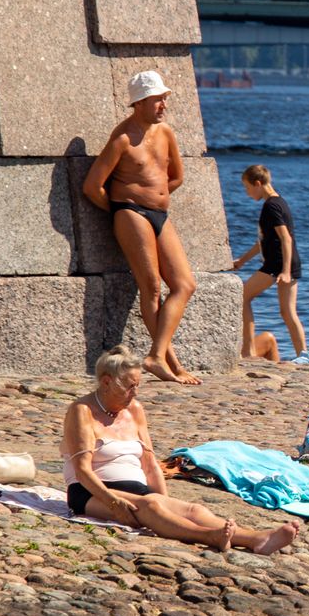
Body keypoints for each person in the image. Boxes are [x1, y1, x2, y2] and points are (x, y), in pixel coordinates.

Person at [62, 347, 299, 554]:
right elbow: (82, 470)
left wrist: (167, 502)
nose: (135, 393)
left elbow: (150, 463)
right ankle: (211, 537)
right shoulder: (82, 411)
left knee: (191, 509)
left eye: (137, 386)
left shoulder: (134, 409)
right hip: (92, 492)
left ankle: (256, 538)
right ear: (106, 382)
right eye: (130, 387)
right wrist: (113, 502)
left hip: (137, 490)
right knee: (152, 507)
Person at [81, 70, 200, 386]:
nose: (164, 104)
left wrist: (155, 196)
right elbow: (93, 186)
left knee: (185, 284)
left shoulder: (165, 133)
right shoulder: (122, 139)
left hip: (159, 214)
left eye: (164, 98)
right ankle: (169, 362)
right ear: (140, 102)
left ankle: (157, 356)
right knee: (152, 288)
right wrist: (122, 209)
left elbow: (176, 176)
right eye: (158, 99)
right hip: (130, 214)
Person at [231, 164, 307, 360]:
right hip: (284, 263)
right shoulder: (278, 201)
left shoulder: (271, 206)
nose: (247, 193)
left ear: (258, 183)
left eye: (247, 188)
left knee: (243, 297)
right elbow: (263, 240)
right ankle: (304, 356)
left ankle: (247, 351)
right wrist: (242, 260)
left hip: (278, 265)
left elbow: (286, 239)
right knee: (288, 313)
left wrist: (286, 270)